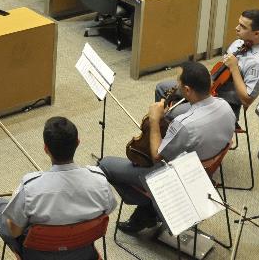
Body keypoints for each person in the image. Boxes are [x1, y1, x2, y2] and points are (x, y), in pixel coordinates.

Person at [99, 61, 236, 234]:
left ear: (187, 90)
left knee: (104, 164)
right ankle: (149, 211)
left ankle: (149, 207)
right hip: (204, 170)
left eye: (178, 82)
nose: (175, 85)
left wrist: (155, 121)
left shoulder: (184, 124)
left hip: (177, 179)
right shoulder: (225, 105)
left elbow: (157, 155)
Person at [0, 116, 116, 254]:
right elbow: (108, 209)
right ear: (78, 143)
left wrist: (16, 199)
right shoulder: (99, 180)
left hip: (39, 255)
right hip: (84, 253)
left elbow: (14, 231)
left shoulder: (30, 187)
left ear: (45, 149)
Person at [156, 9, 259, 118]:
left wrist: (234, 68)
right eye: (238, 24)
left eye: (243, 27)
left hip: (224, 103)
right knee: (162, 88)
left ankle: (167, 134)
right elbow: (220, 70)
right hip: (209, 88)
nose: (236, 28)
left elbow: (246, 101)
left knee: (170, 114)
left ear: (256, 33)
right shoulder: (239, 43)